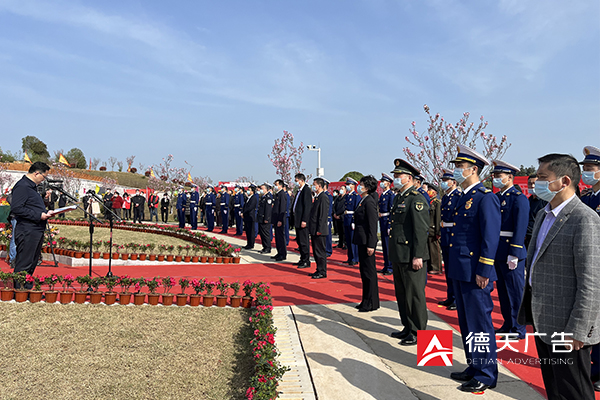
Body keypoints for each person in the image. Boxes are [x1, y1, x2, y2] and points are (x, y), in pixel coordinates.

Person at [517, 153, 600, 399]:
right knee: (554, 387)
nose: (537, 183)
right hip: (544, 318)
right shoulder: (544, 214)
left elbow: (591, 281)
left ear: (564, 181)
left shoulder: (584, 219)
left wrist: (578, 329)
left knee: (574, 390)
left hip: (567, 324)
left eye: (543, 177)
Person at [448, 145, 501, 393]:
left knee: (480, 323)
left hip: (475, 271)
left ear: (473, 170)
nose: (456, 171)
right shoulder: (464, 196)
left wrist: (484, 270)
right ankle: (474, 365)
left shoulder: (485, 197)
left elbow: (490, 238)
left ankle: (486, 373)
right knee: (467, 322)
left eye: (460, 167)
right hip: (461, 269)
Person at [388, 159, 430, 346]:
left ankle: (418, 331)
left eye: (399, 176)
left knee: (414, 295)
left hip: (411, 254)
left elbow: (420, 230)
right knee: (402, 293)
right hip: (399, 253)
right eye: (395, 175)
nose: (395, 178)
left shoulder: (416, 199)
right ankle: (407, 326)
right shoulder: (400, 197)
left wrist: (418, 255)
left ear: (410, 178)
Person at [490, 160, 529, 340]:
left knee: (515, 292)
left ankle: (518, 328)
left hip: (512, 251)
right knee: (503, 291)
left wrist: (514, 252)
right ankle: (507, 323)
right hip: (498, 250)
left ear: (510, 177)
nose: (496, 179)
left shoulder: (518, 198)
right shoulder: (496, 197)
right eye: (495, 176)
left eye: (499, 176)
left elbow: (520, 228)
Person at [579, 145, 600, 392]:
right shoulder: (586, 198)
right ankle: (592, 368)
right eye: (585, 168)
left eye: (590, 168)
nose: (586, 172)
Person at [10, 162, 51, 288]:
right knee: (25, 262)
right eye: (44, 177)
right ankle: (20, 290)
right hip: (27, 229)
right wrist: (38, 215)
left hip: (35, 229)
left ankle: (26, 288)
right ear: (37, 173)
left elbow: (31, 205)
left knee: (32, 261)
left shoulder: (32, 187)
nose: (44, 180)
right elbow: (17, 208)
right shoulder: (22, 186)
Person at [353, 175, 380, 311]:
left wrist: (371, 244)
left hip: (367, 242)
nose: (359, 187)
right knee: (364, 272)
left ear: (368, 187)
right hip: (361, 240)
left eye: (362, 185)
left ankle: (370, 302)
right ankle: (366, 300)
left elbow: (372, 225)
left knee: (369, 273)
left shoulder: (369, 202)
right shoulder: (363, 200)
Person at [438, 168, 461, 311]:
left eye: (446, 181)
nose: (444, 183)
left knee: (454, 269)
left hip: (453, 234)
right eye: (443, 181)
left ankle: (456, 299)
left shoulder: (458, 196)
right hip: (445, 234)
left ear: (453, 182)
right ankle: (450, 296)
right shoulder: (446, 197)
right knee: (447, 268)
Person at [308, 178, 329, 279]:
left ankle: (322, 271)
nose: (313, 186)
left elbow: (322, 215)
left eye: (314, 184)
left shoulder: (323, 197)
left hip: (319, 229)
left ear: (319, 186)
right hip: (314, 228)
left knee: (320, 251)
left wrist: (320, 229)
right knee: (316, 251)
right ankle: (318, 269)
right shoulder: (317, 197)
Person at [292, 173, 312, 269]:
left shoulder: (306, 190)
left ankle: (306, 260)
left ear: (302, 180)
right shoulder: (299, 191)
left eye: (297, 181)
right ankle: (302, 258)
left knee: (304, 242)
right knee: (299, 241)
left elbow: (307, 207)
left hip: (302, 220)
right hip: (297, 219)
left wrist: (304, 220)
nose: (296, 183)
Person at [378, 173, 395, 275]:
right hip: (382, 220)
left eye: (384, 181)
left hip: (387, 220)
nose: (382, 183)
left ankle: (390, 267)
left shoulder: (390, 195)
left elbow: (392, 211)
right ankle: (386, 265)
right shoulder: (383, 195)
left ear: (388, 183)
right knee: (384, 245)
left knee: (388, 245)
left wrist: (389, 225)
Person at [525, 175, 547, 248]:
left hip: (538, 236)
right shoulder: (528, 200)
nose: (532, 186)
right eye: (530, 184)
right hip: (527, 236)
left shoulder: (545, 201)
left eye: (534, 183)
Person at [343, 177, 360, 266]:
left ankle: (355, 258)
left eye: (349, 184)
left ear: (353, 186)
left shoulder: (356, 196)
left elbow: (356, 210)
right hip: (346, 219)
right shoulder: (347, 196)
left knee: (353, 240)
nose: (347, 186)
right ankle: (350, 257)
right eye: (347, 184)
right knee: (348, 240)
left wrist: (354, 221)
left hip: (351, 219)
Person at [426, 183, 442, 275]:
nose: (429, 191)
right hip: (428, 229)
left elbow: (438, 218)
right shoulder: (429, 202)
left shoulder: (437, 203)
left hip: (433, 229)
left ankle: (436, 267)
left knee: (435, 250)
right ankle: (430, 266)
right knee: (429, 250)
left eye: (430, 190)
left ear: (435, 192)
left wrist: (438, 231)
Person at [271, 179, 288, 261]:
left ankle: (283, 254)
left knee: (281, 237)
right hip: (276, 219)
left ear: (281, 185)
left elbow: (282, 208)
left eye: (276, 184)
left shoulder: (282, 194)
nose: (275, 186)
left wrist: (280, 220)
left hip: (279, 219)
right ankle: (279, 252)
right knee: (277, 237)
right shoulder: (277, 194)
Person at [257, 184, 274, 254]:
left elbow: (268, 209)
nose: (261, 190)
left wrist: (266, 218)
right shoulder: (263, 197)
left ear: (266, 189)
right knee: (262, 234)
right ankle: (264, 247)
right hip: (261, 218)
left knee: (266, 234)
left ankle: (268, 248)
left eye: (262, 188)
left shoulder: (268, 197)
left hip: (265, 218)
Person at [243, 185, 258, 249]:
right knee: (248, 231)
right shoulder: (248, 198)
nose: (247, 191)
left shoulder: (253, 198)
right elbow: (245, 206)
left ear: (252, 191)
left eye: (249, 190)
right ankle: (248, 243)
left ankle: (251, 244)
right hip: (247, 216)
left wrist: (244, 212)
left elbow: (250, 207)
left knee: (251, 231)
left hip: (250, 216)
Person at [323, 179, 334, 257]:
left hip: (326, 218)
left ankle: (328, 250)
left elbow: (329, 208)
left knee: (327, 236)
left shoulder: (328, 195)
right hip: (321, 218)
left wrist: (328, 218)